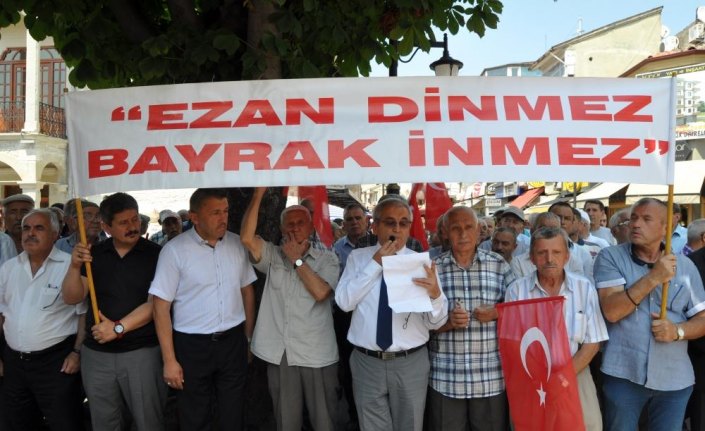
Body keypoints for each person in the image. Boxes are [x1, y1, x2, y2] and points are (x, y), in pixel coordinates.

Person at [335, 195, 448, 431]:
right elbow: (344, 303)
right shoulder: (358, 259)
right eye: (389, 222)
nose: (397, 229)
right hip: (367, 362)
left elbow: (435, 321)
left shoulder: (422, 264)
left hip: (410, 362)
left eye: (403, 223)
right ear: (374, 226)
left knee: (410, 425)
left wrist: (436, 294)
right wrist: (376, 263)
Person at [594, 197, 705, 431]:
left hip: (675, 378)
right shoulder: (610, 257)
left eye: (646, 219)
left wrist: (678, 331)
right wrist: (655, 277)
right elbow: (612, 311)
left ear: (666, 227)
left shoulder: (685, 266)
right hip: (624, 375)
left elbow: (702, 319)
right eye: (634, 218)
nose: (635, 224)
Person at [150, 188, 256, 430]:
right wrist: (169, 360)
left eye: (226, 211)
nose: (223, 218)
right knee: (194, 416)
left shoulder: (236, 244)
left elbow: (247, 291)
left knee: (233, 413)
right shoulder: (174, 251)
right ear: (194, 217)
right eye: (215, 212)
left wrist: (248, 338)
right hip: (192, 346)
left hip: (232, 342)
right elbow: (160, 307)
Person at [62, 192, 167, 431]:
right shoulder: (94, 254)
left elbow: (157, 304)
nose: (132, 227)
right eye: (123, 223)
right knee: (105, 422)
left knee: (148, 421)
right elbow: (71, 297)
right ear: (106, 226)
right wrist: (75, 265)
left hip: (142, 352)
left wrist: (117, 328)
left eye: (134, 220)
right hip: (97, 355)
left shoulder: (157, 254)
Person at [242, 187, 340, 431]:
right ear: (282, 230)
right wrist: (258, 195)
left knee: (325, 421)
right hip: (281, 353)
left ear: (311, 228)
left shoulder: (328, 259)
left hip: (317, 354)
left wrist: (297, 260)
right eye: (289, 225)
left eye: (300, 223)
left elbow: (320, 292)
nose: (294, 228)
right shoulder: (274, 256)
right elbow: (246, 238)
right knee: (286, 422)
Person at [506, 227, 608, 431]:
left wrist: (562, 377)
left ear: (567, 256)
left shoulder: (584, 287)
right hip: (531, 379)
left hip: (576, 373)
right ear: (532, 258)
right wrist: (542, 380)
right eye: (542, 253)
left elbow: (593, 341)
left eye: (556, 252)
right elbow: (513, 343)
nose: (549, 259)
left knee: (585, 426)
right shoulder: (517, 290)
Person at [428, 206, 515, 431]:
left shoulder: (499, 265)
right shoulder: (433, 270)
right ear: (445, 232)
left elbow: (519, 313)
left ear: (479, 231)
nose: (463, 234)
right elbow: (420, 326)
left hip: (490, 377)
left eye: (469, 228)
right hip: (447, 378)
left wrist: (497, 312)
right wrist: (448, 322)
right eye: (456, 228)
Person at [0, 209, 85, 430]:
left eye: (39, 228)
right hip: (14, 363)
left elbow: (83, 314)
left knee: (63, 421)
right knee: (15, 422)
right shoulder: (9, 268)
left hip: (55, 363)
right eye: (26, 228)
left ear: (55, 234)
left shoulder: (71, 266)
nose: (30, 233)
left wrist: (76, 353)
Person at [512, 210, 593, 282]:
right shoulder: (518, 263)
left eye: (553, 229)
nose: (548, 233)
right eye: (543, 228)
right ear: (532, 231)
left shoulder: (573, 261)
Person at [333, 203, 369, 273]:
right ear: (344, 224)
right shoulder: (337, 249)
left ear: (366, 221)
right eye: (349, 219)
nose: (354, 222)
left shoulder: (378, 244)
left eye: (358, 218)